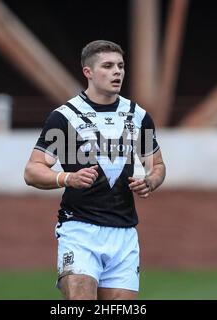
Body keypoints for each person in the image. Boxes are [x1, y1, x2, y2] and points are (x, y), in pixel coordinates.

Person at [24, 40, 166, 300]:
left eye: (121, 66)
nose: (117, 72)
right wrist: (66, 177)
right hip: (79, 229)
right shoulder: (65, 117)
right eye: (108, 66)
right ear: (88, 72)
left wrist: (151, 181)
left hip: (124, 233)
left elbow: (156, 165)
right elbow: (32, 171)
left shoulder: (136, 115)